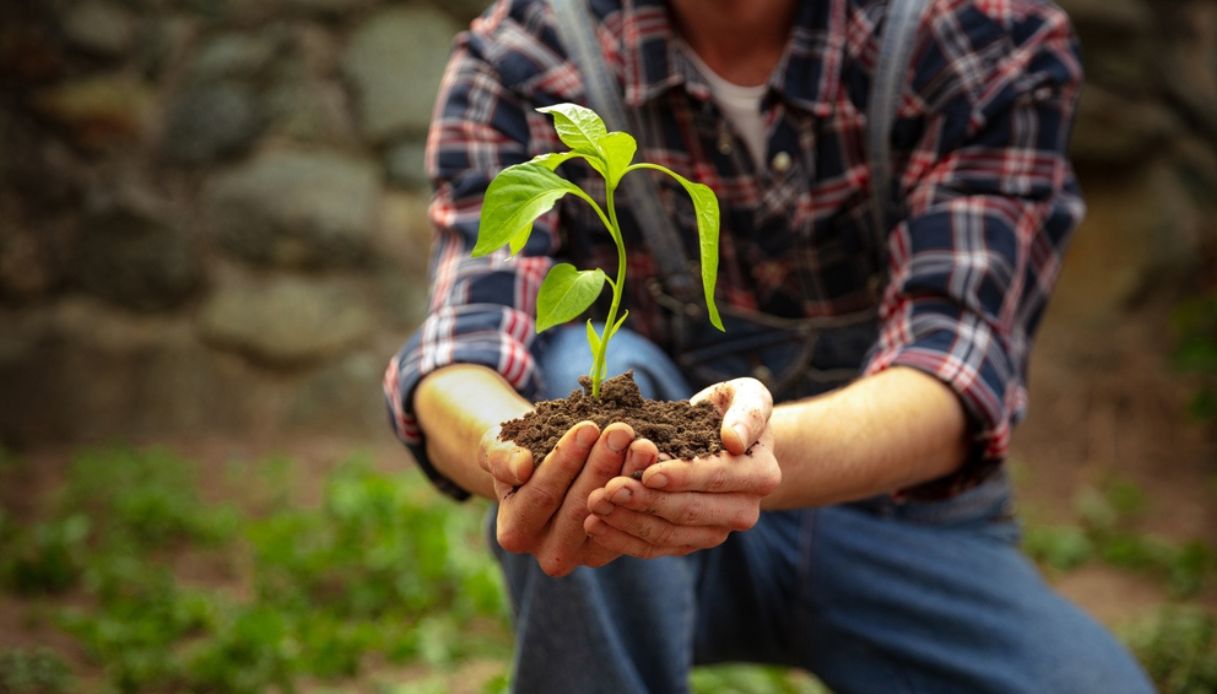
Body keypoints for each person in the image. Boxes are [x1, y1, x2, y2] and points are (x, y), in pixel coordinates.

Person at [384, 0, 1154, 691]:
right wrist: (518, 453)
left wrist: (739, 452)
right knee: (593, 379)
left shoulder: (972, 34)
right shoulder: (527, 52)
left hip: (899, 525)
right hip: (630, 528)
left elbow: (955, 371)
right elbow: (465, 340)